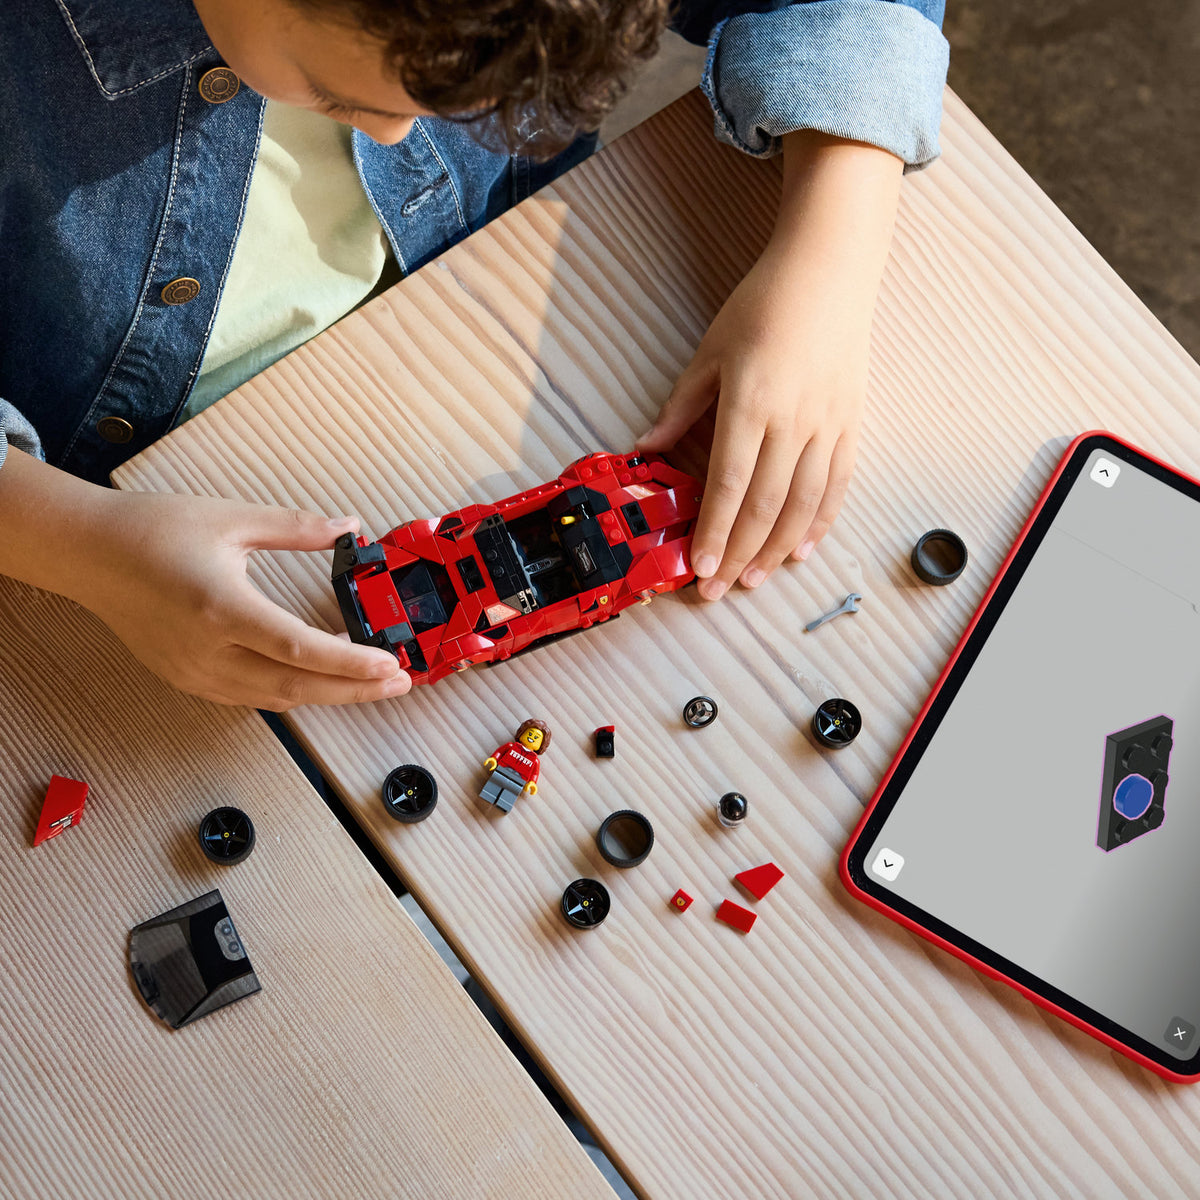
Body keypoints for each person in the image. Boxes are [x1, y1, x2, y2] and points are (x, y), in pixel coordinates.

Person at [0, 0, 949, 711]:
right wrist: (82, 549)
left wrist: (827, 263)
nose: (395, 133)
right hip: (92, 496)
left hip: (473, 327)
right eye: (336, 95)